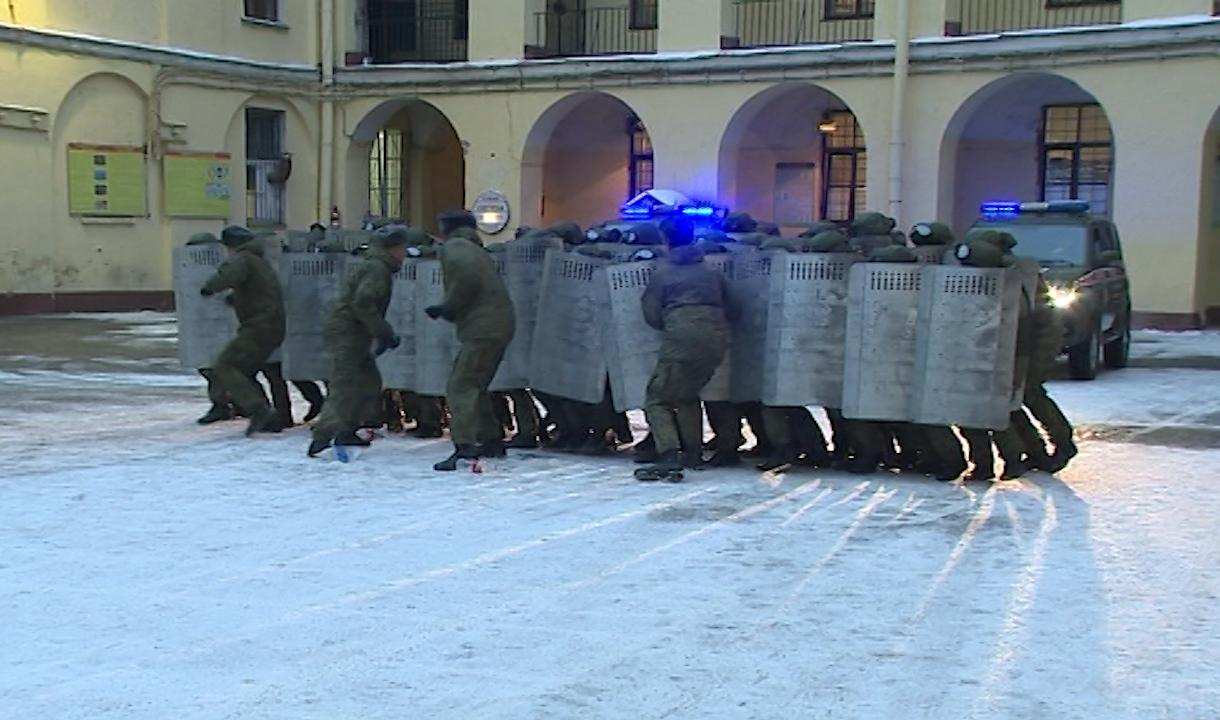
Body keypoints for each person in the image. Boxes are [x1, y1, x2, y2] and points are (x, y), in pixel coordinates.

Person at [637, 216, 735, 478]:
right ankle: (693, 452)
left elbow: (651, 313)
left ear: (665, 240)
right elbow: (735, 307)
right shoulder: (712, 272)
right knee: (688, 394)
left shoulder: (663, 273)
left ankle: (669, 454)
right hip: (715, 340)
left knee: (657, 398)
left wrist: (674, 325)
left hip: (680, 339)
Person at [425, 210, 516, 472]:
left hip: (483, 327)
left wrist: (448, 307)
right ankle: (490, 439)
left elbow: (466, 279)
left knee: (460, 386)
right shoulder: (475, 247)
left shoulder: (455, 247)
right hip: (496, 324)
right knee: (475, 384)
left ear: (445, 226)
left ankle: (465, 446)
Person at [307, 226, 406, 457]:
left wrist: (379, 333)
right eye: (401, 248)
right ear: (393, 248)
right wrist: (383, 332)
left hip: (355, 331)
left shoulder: (376, 265)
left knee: (369, 382)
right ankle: (323, 436)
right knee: (345, 384)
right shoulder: (377, 269)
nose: (404, 253)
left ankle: (347, 429)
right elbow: (363, 303)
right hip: (348, 332)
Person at [198, 226, 286, 436]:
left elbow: (229, 273)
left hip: (259, 326)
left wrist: (210, 287)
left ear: (230, 245)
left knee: (225, 366)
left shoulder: (243, 257)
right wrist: (236, 299)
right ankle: (270, 418)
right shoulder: (259, 261)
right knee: (245, 371)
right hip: (270, 325)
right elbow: (259, 291)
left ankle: (259, 409)